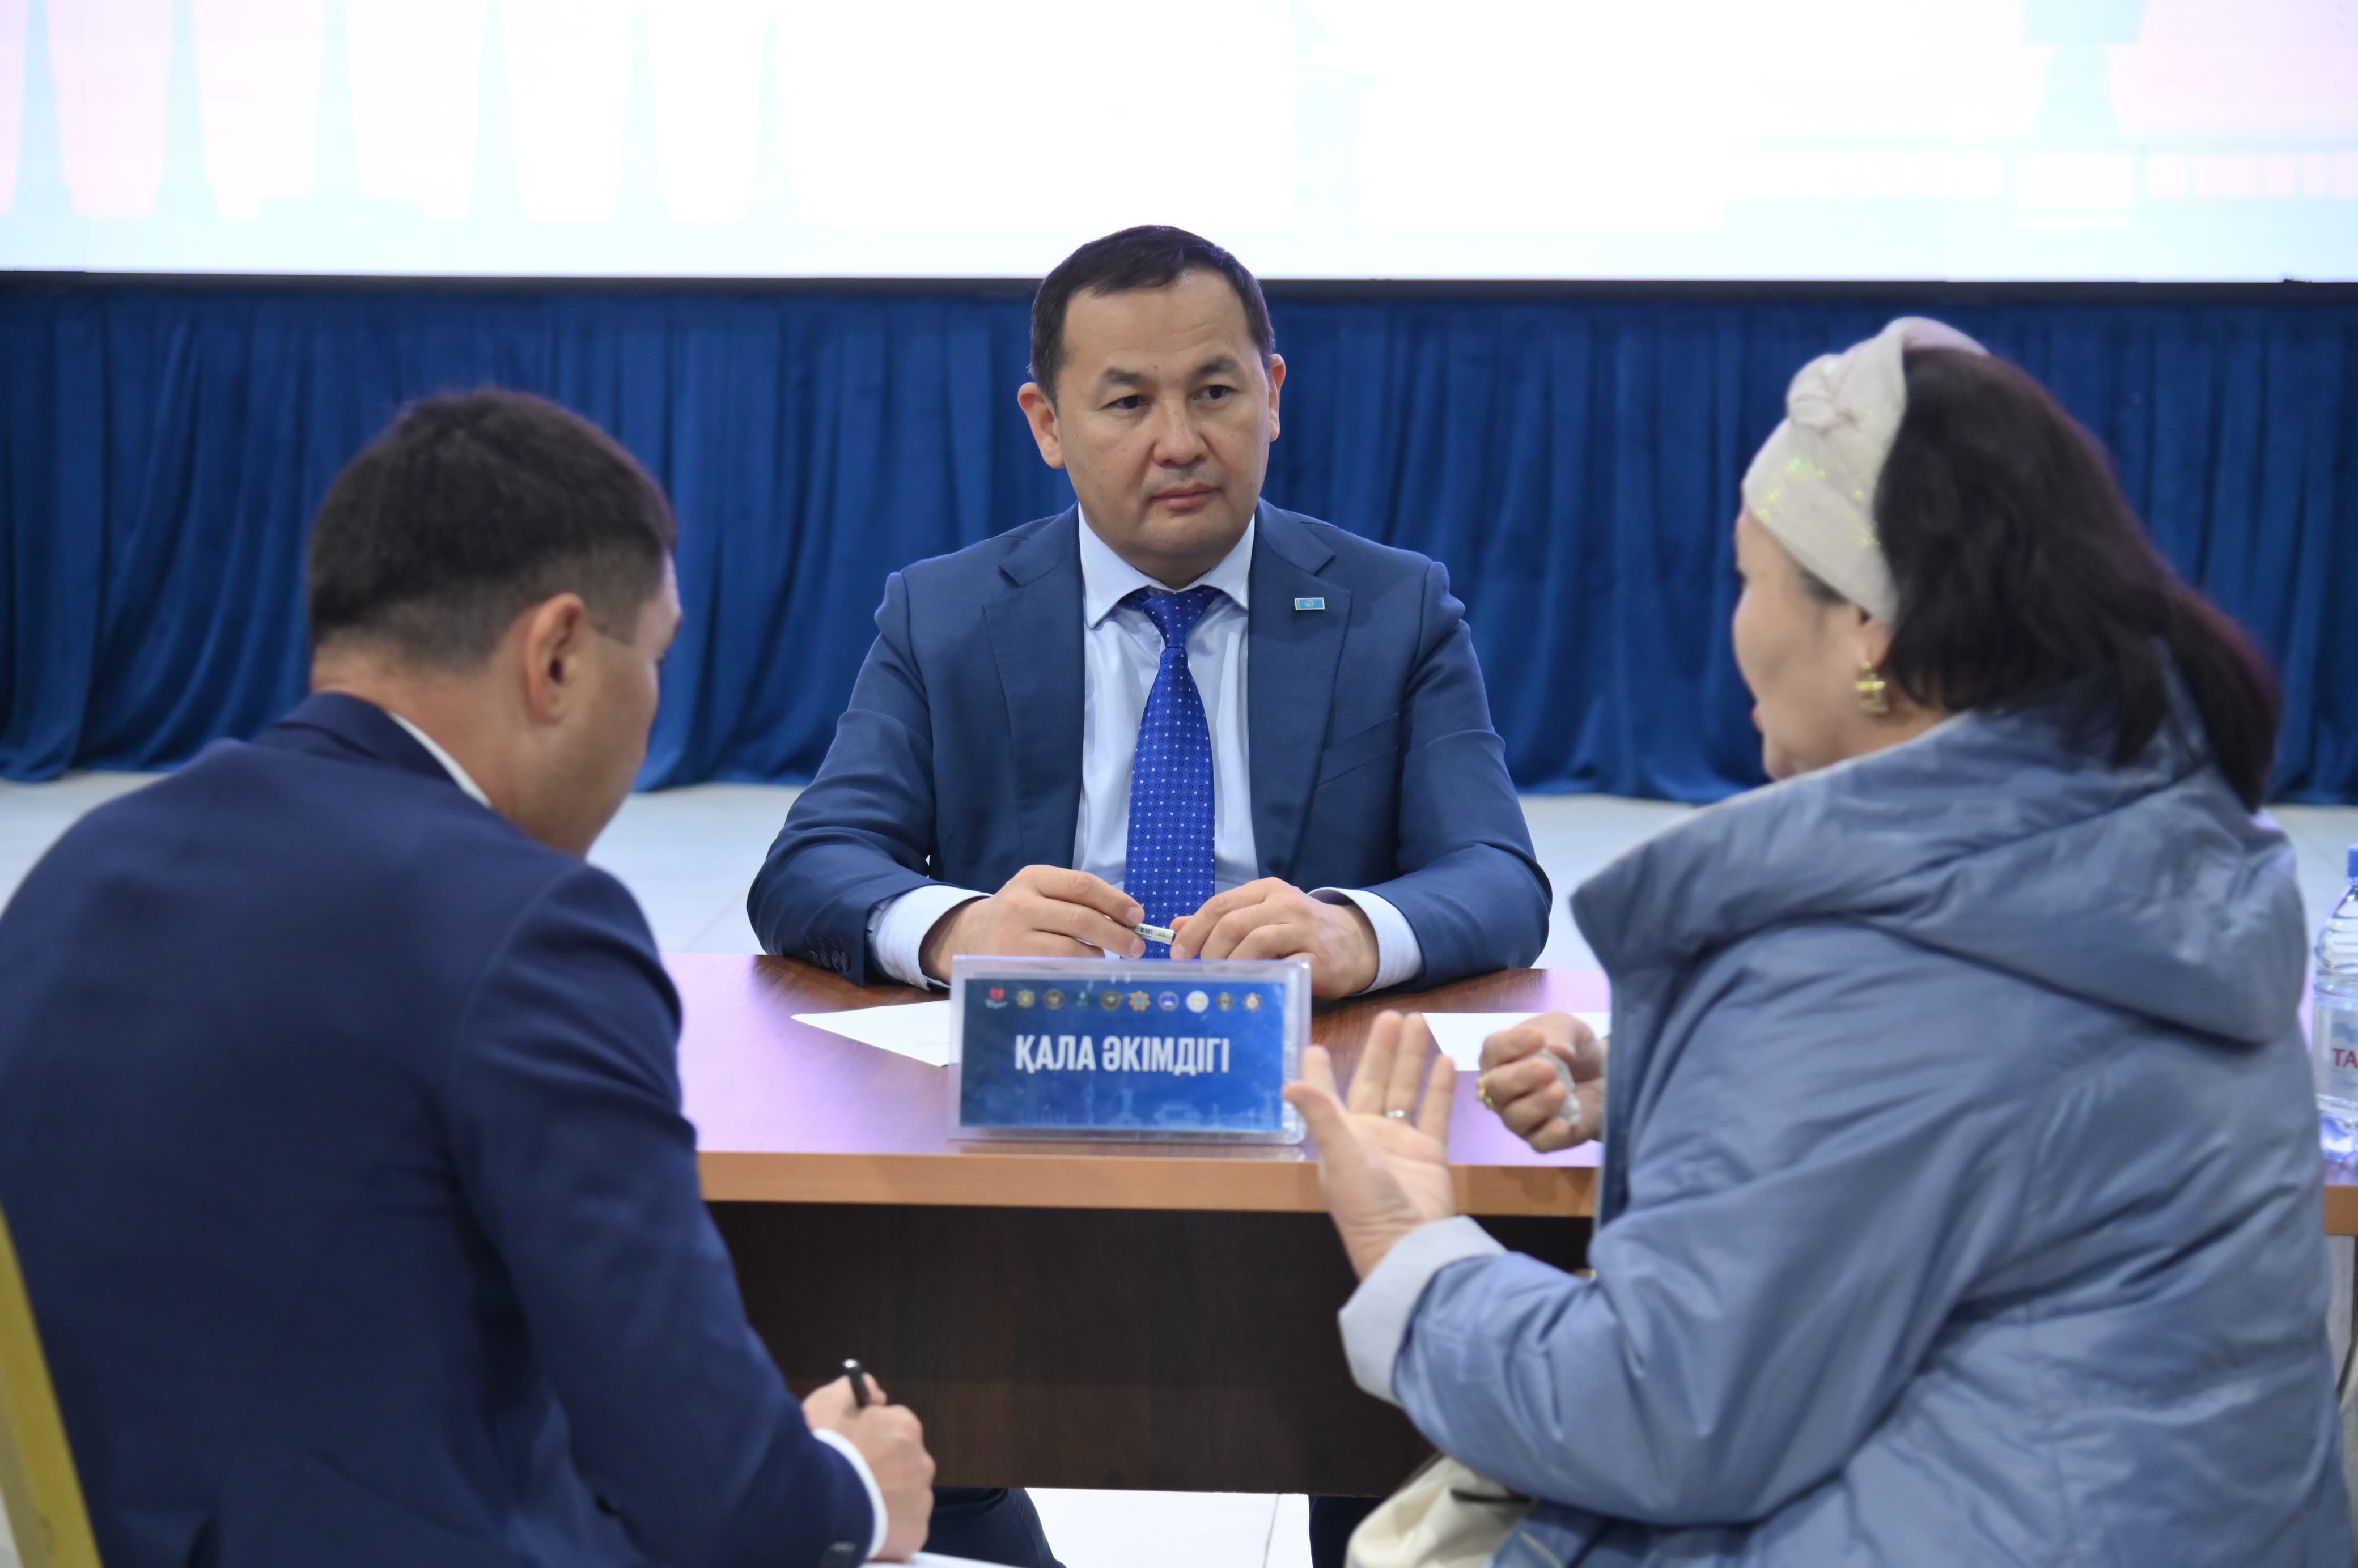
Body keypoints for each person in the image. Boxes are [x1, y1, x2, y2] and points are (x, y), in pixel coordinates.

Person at [1284, 320, 2353, 1565]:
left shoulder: (1869, 949)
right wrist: (1679, 1084)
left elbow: (1652, 1416)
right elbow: (1998, 1132)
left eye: (1749, 579)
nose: (1736, 628)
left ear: (1866, 627)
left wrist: (1412, 1248)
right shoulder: (2160, 855)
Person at [0, 391, 936, 1568]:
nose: (653, 706)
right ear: (557, 656)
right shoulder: (527, 928)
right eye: (655, 659)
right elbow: (729, 1508)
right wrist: (852, 1484)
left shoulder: (83, 867)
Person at [748, 224, 1549, 1007]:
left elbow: (1498, 875)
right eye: (1129, 402)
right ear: (1048, 424)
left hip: (1304, 1053)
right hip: (1037, 1044)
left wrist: (1355, 934)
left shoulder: (1394, 609)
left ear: (1271, 396)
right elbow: (812, 864)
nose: (1180, 443)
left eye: (1215, 394)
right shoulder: (945, 615)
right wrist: (956, 931)